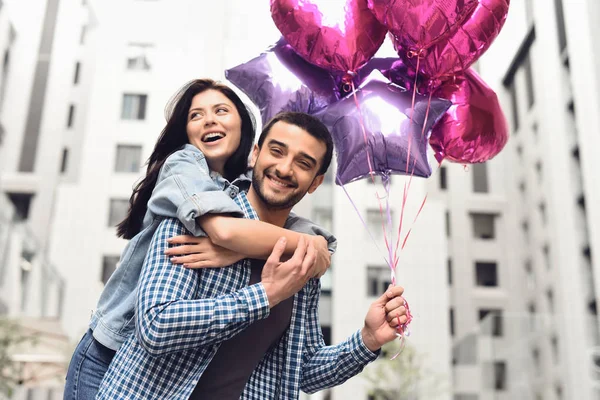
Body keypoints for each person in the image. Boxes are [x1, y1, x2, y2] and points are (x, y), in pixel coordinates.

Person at [97, 112, 408, 399]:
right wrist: (265, 295)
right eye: (277, 151)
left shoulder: (303, 258)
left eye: (303, 163)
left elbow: (301, 370)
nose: (284, 168)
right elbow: (156, 325)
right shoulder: (199, 216)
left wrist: (368, 338)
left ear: (315, 183)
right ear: (255, 154)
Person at [63, 81, 335, 400]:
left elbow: (302, 235)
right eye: (196, 115)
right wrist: (290, 257)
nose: (209, 120)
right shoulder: (185, 169)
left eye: (221, 111)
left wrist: (316, 247)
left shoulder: (236, 188)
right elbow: (226, 232)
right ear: (258, 153)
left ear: (245, 132)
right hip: (109, 347)